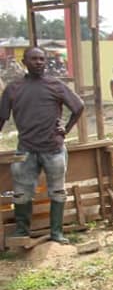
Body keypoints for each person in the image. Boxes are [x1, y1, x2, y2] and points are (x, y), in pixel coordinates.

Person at [0, 47, 84, 244]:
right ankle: (22, 231)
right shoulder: (13, 88)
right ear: (24, 62)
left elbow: (78, 106)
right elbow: (2, 117)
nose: (39, 62)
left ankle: (56, 232)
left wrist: (67, 129)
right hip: (25, 150)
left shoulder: (55, 85)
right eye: (34, 59)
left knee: (57, 190)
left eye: (41, 59)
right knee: (21, 192)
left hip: (53, 148)